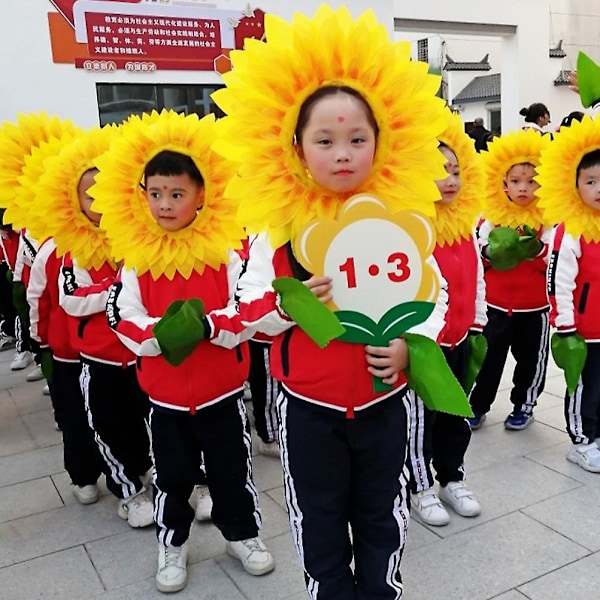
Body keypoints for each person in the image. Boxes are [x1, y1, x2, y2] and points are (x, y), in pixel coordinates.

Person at [94, 110, 275, 594]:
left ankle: (243, 535)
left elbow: (250, 307)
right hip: (166, 402)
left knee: (232, 473)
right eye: (155, 194)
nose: (165, 204)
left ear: (202, 196)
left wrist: (211, 326)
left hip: (223, 395)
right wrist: (163, 335)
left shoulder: (226, 253)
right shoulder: (137, 259)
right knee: (173, 480)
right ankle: (172, 544)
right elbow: (122, 318)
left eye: (177, 194)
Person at [58, 164, 154, 528]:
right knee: (109, 426)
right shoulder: (75, 251)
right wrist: (117, 289)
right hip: (101, 362)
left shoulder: (138, 237)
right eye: (88, 194)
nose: (97, 200)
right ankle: (127, 492)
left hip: (141, 355)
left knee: (148, 421)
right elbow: (72, 300)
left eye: (104, 190)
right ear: (75, 202)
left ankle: (148, 473)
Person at [408, 115, 485, 527]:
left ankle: (452, 477)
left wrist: (478, 321)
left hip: (460, 339)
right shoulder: (411, 229)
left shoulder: (465, 226)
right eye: (439, 173)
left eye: (455, 171)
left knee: (456, 415)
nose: (450, 180)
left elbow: (476, 277)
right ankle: (419, 487)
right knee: (423, 419)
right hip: (425, 348)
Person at [469, 129, 553, 431]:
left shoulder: (550, 217)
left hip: (535, 309)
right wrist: (491, 251)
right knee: (488, 362)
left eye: (531, 181)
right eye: (515, 181)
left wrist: (540, 249)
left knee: (531, 363)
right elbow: (477, 248)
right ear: (503, 181)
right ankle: (477, 405)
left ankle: (524, 405)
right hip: (495, 306)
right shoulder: (492, 215)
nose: (523, 188)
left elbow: (557, 258)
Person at [537, 117, 600, 472]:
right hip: (582, 329)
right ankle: (580, 440)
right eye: (591, 181)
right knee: (582, 386)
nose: (599, 188)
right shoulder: (570, 232)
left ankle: (597, 433)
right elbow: (558, 280)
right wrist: (565, 323)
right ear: (574, 184)